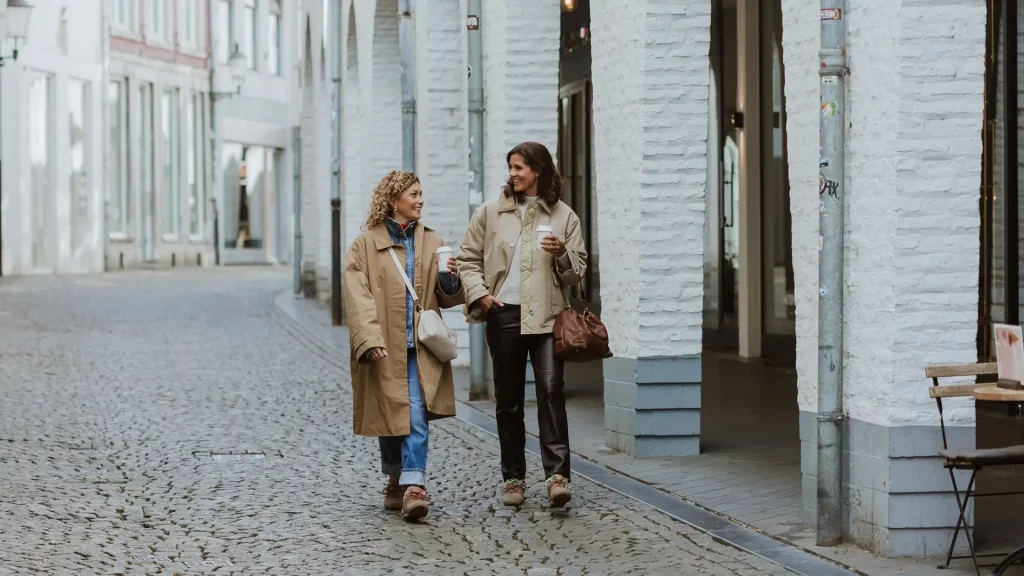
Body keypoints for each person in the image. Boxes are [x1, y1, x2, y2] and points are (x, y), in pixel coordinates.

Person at [457, 142, 587, 508]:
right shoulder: (491, 212)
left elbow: (577, 273)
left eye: (520, 168)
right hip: (504, 316)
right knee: (509, 401)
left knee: (550, 392)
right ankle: (513, 477)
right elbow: (466, 259)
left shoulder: (564, 216)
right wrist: (481, 294)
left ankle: (558, 477)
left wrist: (561, 252)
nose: (513, 173)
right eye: (510, 167)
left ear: (539, 171)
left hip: (548, 318)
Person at [343, 170, 465, 521]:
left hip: (420, 346)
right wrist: (368, 338)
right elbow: (357, 294)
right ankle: (394, 477)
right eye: (414, 194)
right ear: (394, 199)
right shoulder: (365, 244)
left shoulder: (432, 240)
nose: (420, 199)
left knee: (413, 411)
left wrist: (449, 278)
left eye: (421, 193)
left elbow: (449, 296)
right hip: (384, 343)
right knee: (388, 415)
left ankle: (414, 486)